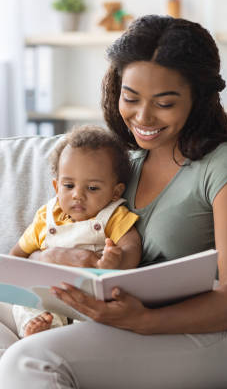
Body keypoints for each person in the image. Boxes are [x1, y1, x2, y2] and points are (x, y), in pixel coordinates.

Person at [0, 14, 227, 389]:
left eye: (164, 103)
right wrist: (46, 261)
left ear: (199, 99)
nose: (143, 117)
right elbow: (58, 235)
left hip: (201, 338)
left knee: (27, 360)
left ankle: (34, 375)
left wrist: (143, 320)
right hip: (100, 322)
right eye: (131, 98)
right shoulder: (121, 165)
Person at [8, 125, 141, 337]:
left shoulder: (113, 216)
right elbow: (15, 257)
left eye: (92, 188)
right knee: (24, 303)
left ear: (115, 192)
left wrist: (118, 261)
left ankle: (61, 343)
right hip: (50, 299)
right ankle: (35, 329)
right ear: (56, 186)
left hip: (90, 304)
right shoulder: (46, 217)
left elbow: (132, 246)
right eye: (69, 186)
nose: (78, 195)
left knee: (97, 323)